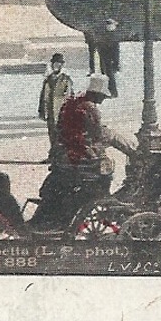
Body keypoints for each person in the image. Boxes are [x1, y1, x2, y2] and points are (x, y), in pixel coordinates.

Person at [31, 73, 135, 228]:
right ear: (97, 94)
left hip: (63, 153)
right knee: (108, 149)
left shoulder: (73, 103)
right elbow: (98, 134)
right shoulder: (90, 109)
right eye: (102, 96)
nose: (102, 100)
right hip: (78, 157)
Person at [37, 52, 73, 159]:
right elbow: (43, 97)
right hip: (51, 112)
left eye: (59, 64)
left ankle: (61, 157)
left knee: (62, 135)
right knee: (52, 134)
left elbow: (70, 96)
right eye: (55, 64)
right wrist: (42, 111)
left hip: (62, 112)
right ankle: (53, 156)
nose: (57, 66)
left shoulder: (66, 79)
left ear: (62, 65)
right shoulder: (48, 79)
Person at [84, 17, 122, 97]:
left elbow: (116, 52)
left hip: (110, 59)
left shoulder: (114, 36)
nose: (108, 26)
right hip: (104, 58)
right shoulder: (107, 34)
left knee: (110, 76)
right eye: (107, 24)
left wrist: (116, 62)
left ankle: (113, 93)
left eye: (109, 24)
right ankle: (109, 91)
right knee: (106, 75)